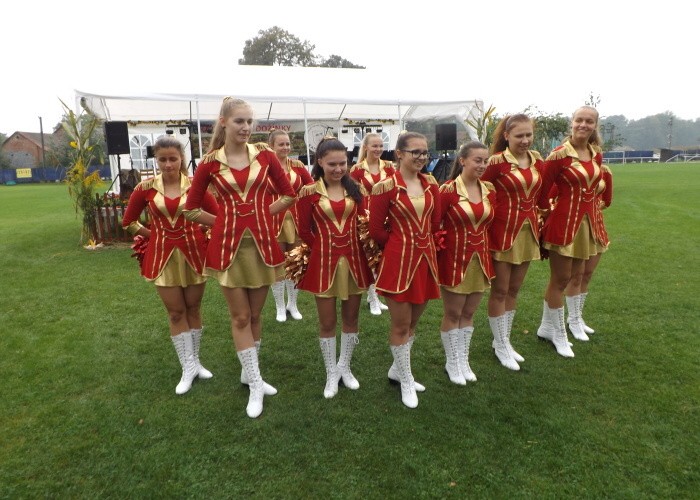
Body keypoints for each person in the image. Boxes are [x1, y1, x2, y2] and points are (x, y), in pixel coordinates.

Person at [184, 97, 296, 418]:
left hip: (262, 246)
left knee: (256, 315)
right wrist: (223, 222)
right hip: (228, 249)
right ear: (223, 122)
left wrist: (260, 214)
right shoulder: (209, 163)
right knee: (241, 317)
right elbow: (191, 209)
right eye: (239, 121)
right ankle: (256, 382)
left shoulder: (265, 154)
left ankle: (250, 374)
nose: (246, 127)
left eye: (249, 121)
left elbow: (288, 194)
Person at [122, 136, 218, 395]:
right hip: (162, 257)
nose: (167, 164)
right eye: (162, 159)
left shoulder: (196, 186)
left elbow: (218, 217)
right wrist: (154, 235)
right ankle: (187, 367)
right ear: (156, 160)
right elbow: (129, 222)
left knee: (193, 308)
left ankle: (195, 362)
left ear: (181, 159)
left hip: (194, 255)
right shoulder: (145, 188)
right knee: (176, 313)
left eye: (172, 159)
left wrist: (203, 231)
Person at [295, 137, 373, 399]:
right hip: (324, 264)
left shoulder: (356, 189)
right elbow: (303, 230)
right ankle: (331, 372)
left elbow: (364, 223)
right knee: (327, 321)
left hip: (354, 261)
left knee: (351, 319)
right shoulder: (308, 192)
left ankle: (344, 367)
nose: (339, 169)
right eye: (332, 164)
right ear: (320, 162)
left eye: (343, 163)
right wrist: (321, 249)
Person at [369, 132, 441, 408]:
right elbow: (376, 230)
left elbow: (434, 223)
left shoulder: (431, 184)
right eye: (415, 152)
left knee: (413, 323)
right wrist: (399, 245)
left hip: (426, 261)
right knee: (400, 324)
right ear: (399, 153)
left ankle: (397, 370)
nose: (422, 157)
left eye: (425, 152)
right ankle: (406, 379)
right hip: (398, 263)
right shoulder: (385, 188)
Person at [536, 106, 604, 357]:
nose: (583, 125)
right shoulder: (558, 155)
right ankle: (558, 334)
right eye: (579, 120)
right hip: (563, 224)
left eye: (589, 121)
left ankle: (548, 327)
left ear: (595, 126)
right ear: (572, 123)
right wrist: (546, 215)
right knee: (560, 280)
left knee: (577, 275)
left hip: (587, 224)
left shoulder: (595, 154)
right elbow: (542, 191)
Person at [481, 114, 545, 370]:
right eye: (519, 135)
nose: (525, 140)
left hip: (528, 233)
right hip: (502, 232)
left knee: (514, 291)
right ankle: (500, 344)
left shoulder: (537, 160)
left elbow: (543, 194)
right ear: (507, 136)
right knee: (500, 290)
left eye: (529, 134)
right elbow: (478, 190)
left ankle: (503, 341)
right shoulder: (496, 162)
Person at [438, 141, 495, 384]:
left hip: (480, 259)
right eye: (477, 160)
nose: (482, 165)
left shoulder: (489, 190)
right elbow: (434, 225)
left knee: (469, 313)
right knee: (453, 313)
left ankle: (463, 359)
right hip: (454, 260)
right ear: (462, 161)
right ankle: (452, 362)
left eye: (485, 161)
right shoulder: (448, 190)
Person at [267, 129, 314, 322]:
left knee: (296, 262)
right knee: (277, 264)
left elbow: (311, 187)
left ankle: (292, 304)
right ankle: (279, 306)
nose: (285, 147)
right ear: (271, 146)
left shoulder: (298, 166)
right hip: (273, 220)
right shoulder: (263, 167)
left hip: (296, 220)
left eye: (287, 144)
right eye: (281, 144)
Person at [563, 162, 613, 337]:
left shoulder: (604, 170)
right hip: (576, 226)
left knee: (587, 274)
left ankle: (577, 317)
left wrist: (594, 207)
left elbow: (608, 200)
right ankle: (573, 320)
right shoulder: (572, 169)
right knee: (576, 275)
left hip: (596, 227)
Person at [350, 133, 395, 316]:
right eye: (374, 146)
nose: (378, 149)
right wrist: (362, 219)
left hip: (386, 216)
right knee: (370, 258)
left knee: (382, 258)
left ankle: (374, 296)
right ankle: (374, 299)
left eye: (381, 146)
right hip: (365, 217)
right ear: (366, 147)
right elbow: (354, 197)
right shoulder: (357, 170)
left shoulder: (390, 167)